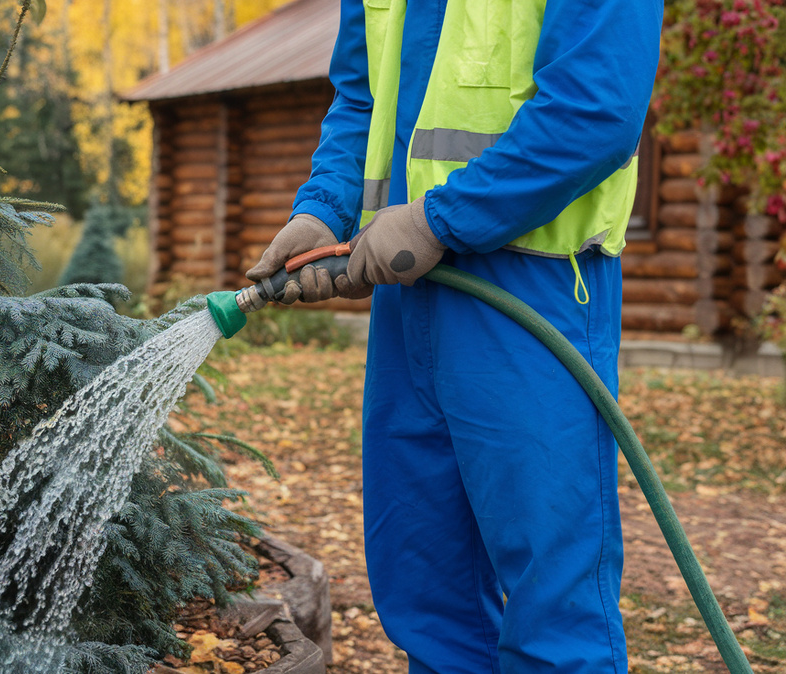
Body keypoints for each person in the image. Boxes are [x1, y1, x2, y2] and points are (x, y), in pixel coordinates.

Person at [245, 1, 662, 671]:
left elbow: (597, 107)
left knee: (551, 602)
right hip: (413, 296)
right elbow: (362, 98)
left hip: (533, 287)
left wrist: (444, 220)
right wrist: (325, 207)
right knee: (428, 587)